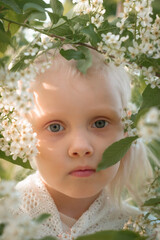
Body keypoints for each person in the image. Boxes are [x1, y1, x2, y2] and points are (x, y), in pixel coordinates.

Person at [15, 47, 153, 240]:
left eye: (100, 123)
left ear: (126, 129)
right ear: (22, 135)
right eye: (55, 127)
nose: (81, 147)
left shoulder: (143, 231)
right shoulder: (7, 221)